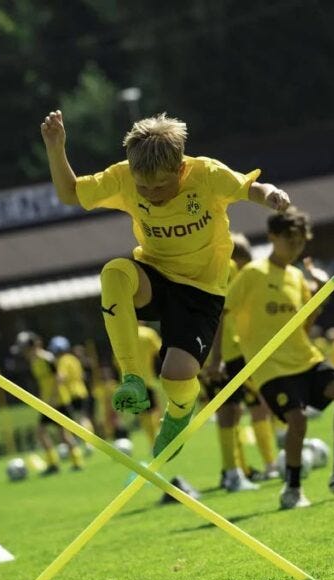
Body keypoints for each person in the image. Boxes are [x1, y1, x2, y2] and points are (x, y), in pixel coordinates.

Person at [40, 110, 290, 458]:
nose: (151, 194)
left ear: (181, 168)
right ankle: (133, 379)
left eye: (160, 186)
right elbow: (70, 194)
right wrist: (56, 147)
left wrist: (272, 196)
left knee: (176, 379)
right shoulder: (124, 177)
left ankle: (179, 412)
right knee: (114, 272)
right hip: (155, 275)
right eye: (144, 187)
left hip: (202, 292)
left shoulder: (206, 174)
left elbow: (250, 187)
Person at [224, 208, 334, 510]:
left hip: (304, 358)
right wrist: (215, 359)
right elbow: (223, 312)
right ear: (273, 237)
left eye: (301, 242)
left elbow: (304, 326)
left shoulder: (297, 277)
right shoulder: (252, 274)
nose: (296, 247)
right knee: (296, 421)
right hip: (270, 366)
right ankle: (293, 489)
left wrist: (318, 299)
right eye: (290, 241)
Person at [203, 233, 279, 493]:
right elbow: (221, 314)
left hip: (211, 351)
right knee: (254, 406)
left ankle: (235, 472)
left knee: (230, 411)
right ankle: (268, 465)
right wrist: (217, 358)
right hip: (230, 352)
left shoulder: (205, 266)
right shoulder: (229, 268)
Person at [13, 332, 84, 473]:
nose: (24, 352)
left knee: (63, 434)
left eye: (25, 348)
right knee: (42, 431)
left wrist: (53, 397)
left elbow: (59, 378)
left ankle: (76, 461)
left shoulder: (47, 358)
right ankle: (53, 463)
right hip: (47, 402)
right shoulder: (34, 362)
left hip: (59, 401)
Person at [49, 336, 97, 453]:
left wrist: (54, 393)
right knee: (84, 417)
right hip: (82, 390)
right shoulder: (73, 358)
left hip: (73, 393)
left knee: (79, 419)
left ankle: (88, 442)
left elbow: (61, 376)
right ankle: (90, 441)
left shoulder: (62, 360)